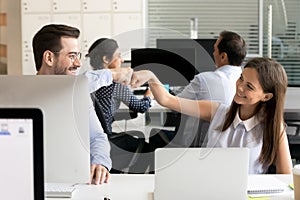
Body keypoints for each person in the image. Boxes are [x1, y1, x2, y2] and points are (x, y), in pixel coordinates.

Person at [131, 57, 293, 174]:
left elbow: (286, 177)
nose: (240, 87)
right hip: (208, 188)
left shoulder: (272, 127)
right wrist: (151, 76)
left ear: (266, 96)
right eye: (241, 79)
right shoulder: (217, 111)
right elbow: (167, 100)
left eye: (249, 86)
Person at [32, 24, 133, 184]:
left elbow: (97, 137)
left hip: (70, 180)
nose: (78, 63)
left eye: (78, 55)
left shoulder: (78, 93)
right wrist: (111, 74)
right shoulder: (23, 95)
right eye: (72, 56)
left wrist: (100, 162)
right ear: (49, 58)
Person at [150, 30, 247, 147]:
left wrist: (152, 92)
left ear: (223, 56)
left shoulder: (204, 80)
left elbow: (174, 105)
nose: (212, 53)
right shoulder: (246, 86)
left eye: (215, 50)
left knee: (154, 135)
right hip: (230, 146)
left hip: (196, 145)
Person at [86, 38, 152, 173]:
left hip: (88, 137)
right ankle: (130, 177)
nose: (122, 60)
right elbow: (140, 107)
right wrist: (149, 96)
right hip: (104, 139)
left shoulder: (88, 81)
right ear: (106, 59)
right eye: (119, 56)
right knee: (147, 148)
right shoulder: (115, 84)